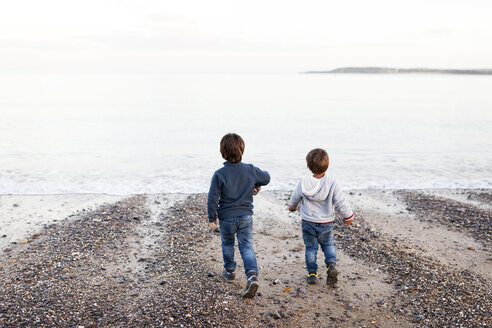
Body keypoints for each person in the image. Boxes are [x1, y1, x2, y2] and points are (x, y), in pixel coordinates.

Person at [207, 133, 270, 298]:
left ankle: (229, 272)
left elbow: (213, 197)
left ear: (223, 152)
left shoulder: (219, 174)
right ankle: (251, 275)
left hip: (226, 217)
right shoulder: (250, 169)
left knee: (227, 244)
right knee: (246, 246)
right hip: (245, 216)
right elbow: (267, 178)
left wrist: (211, 217)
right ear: (242, 150)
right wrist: (256, 184)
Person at [287, 148, 354, 285]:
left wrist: (292, 207)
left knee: (311, 248)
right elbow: (340, 201)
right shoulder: (332, 182)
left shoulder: (304, 181)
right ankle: (331, 265)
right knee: (328, 245)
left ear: (308, 166)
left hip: (308, 221)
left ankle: (312, 274)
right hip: (326, 222)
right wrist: (348, 216)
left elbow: (296, 196)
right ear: (327, 165)